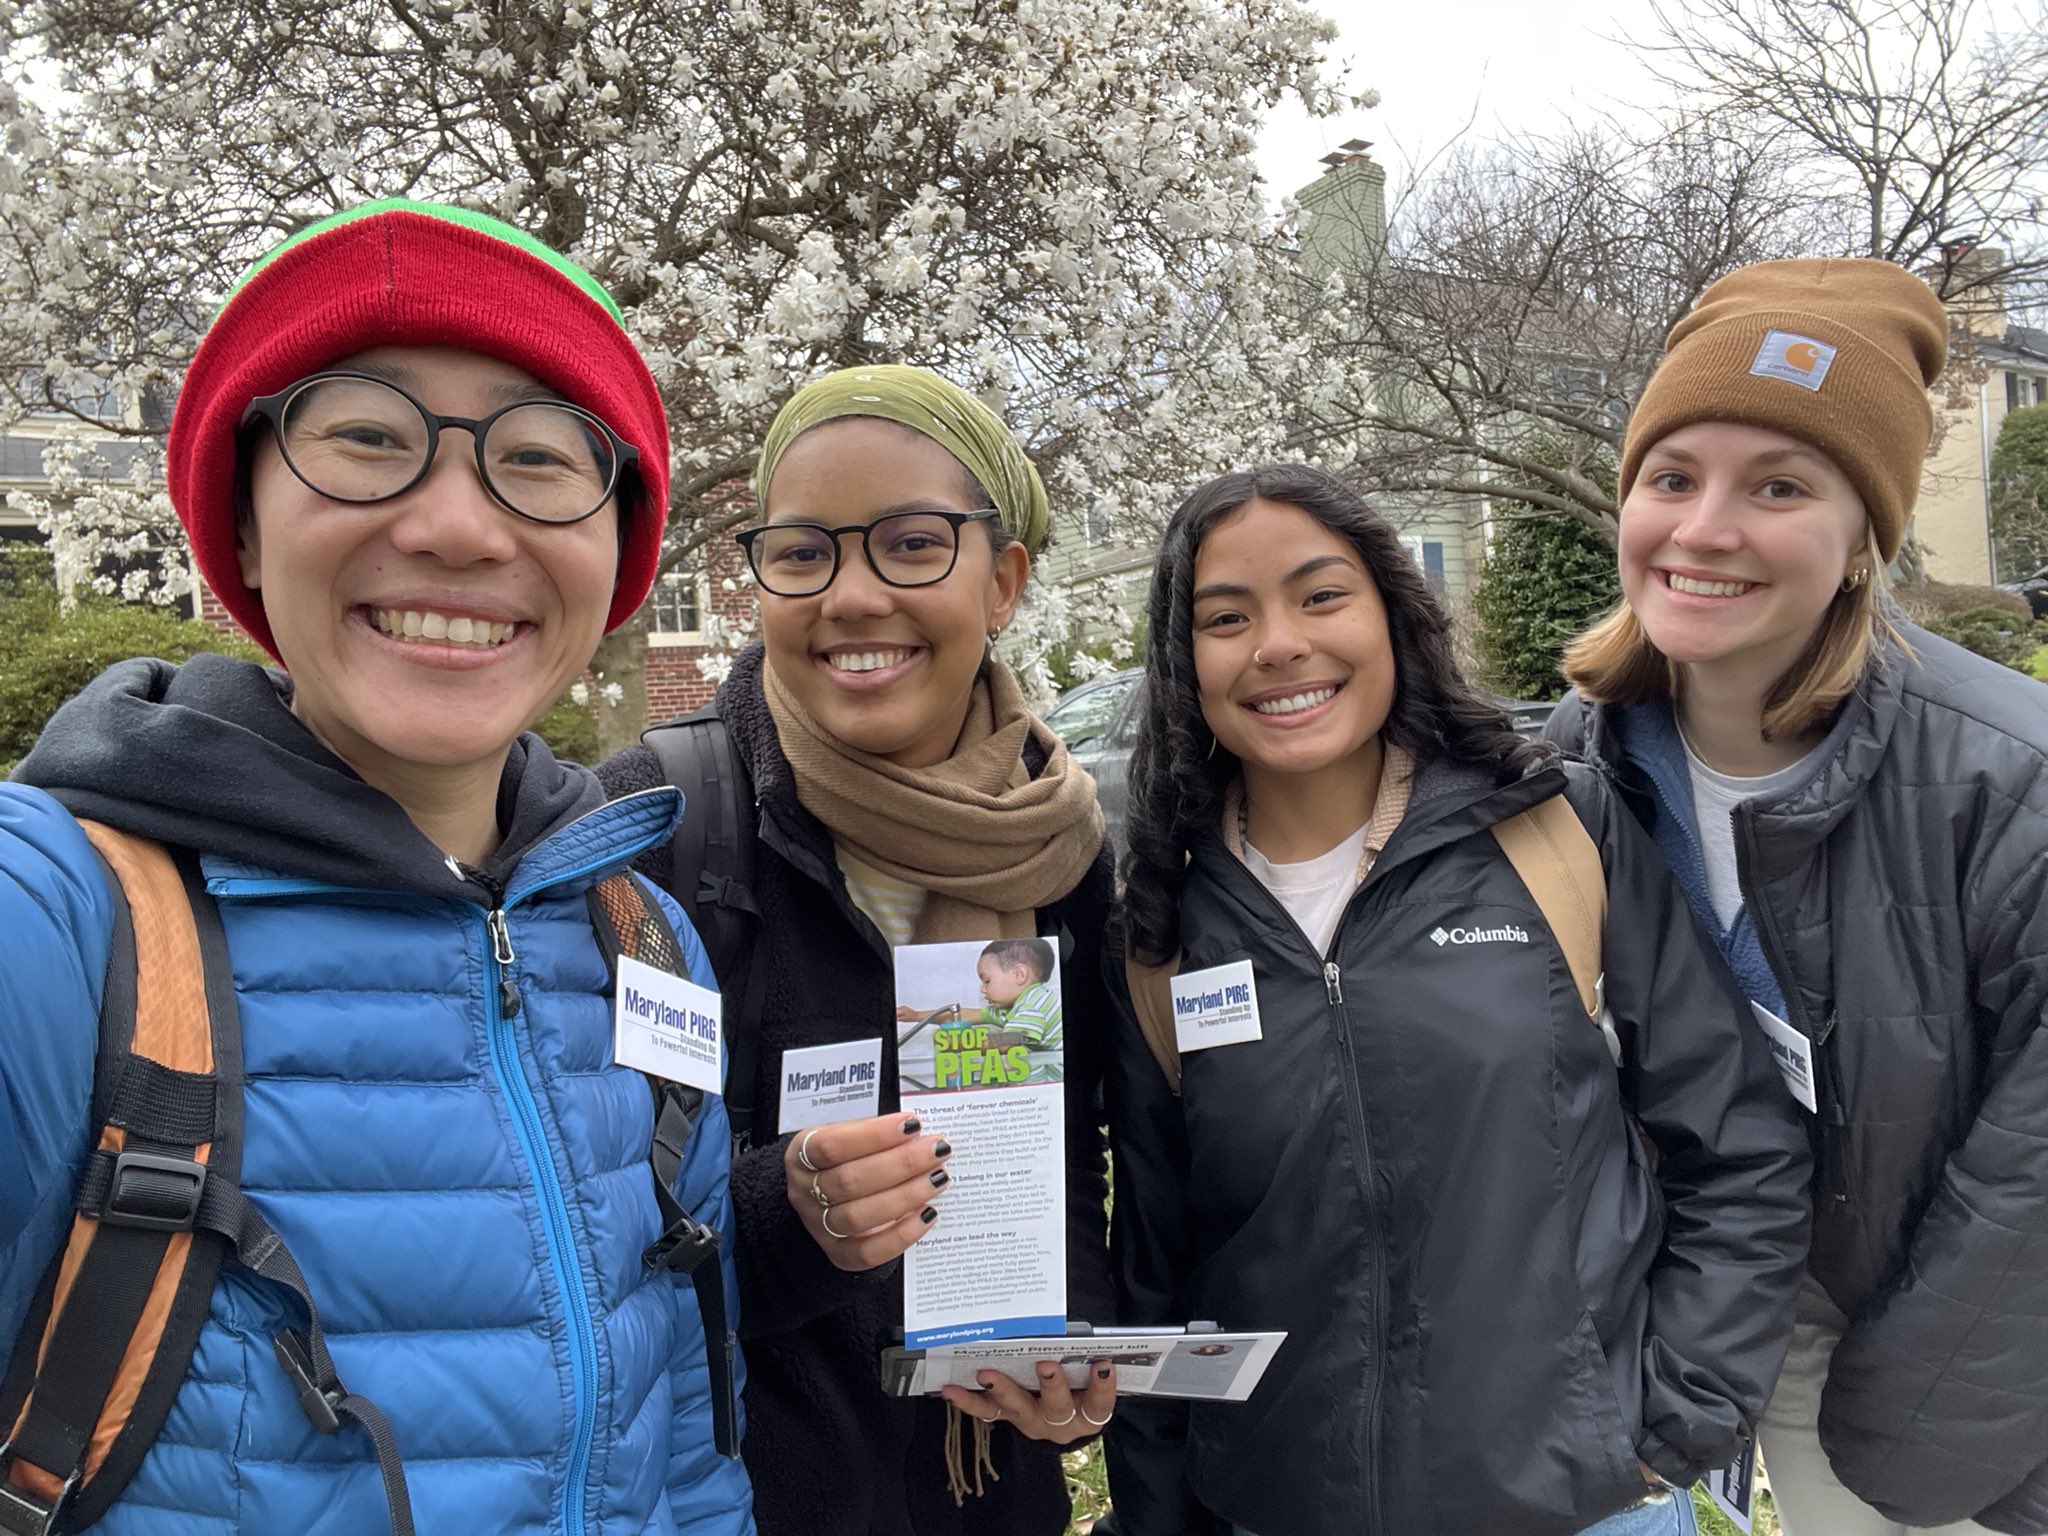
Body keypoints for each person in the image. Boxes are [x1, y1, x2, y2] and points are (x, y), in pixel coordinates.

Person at [0, 201, 752, 1535]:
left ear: (615, 550)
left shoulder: (642, 937)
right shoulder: (64, 922)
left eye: (537, 458)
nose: (460, 527)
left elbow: (690, 1435)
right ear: (239, 529)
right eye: (367, 440)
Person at [1103, 464, 1812, 1536]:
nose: (1279, 644)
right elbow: (1157, 1270)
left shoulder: (1548, 830)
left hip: (1582, 1503)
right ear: (1179, 657)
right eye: (1225, 617)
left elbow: (1740, 1143)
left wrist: (1670, 1418)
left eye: (1320, 595)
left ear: (1392, 615)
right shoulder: (1165, 923)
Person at [1547, 258, 2048, 1536]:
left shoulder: (2009, 783)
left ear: (1861, 538)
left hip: (1935, 1333)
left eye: (1777, 486)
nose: (1703, 529)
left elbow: (2030, 1177)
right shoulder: (1578, 757)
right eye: (1671, 478)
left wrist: (1900, 1431)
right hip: (1723, 1294)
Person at [596, 365, 1117, 1536]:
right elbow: (572, 1216)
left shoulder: (1059, 848)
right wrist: (787, 1217)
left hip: (980, 1496)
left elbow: (1060, 1143)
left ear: (1005, 580)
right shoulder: (657, 823)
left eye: (912, 544)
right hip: (738, 1494)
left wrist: (1065, 1340)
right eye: (801, 554)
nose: (851, 596)